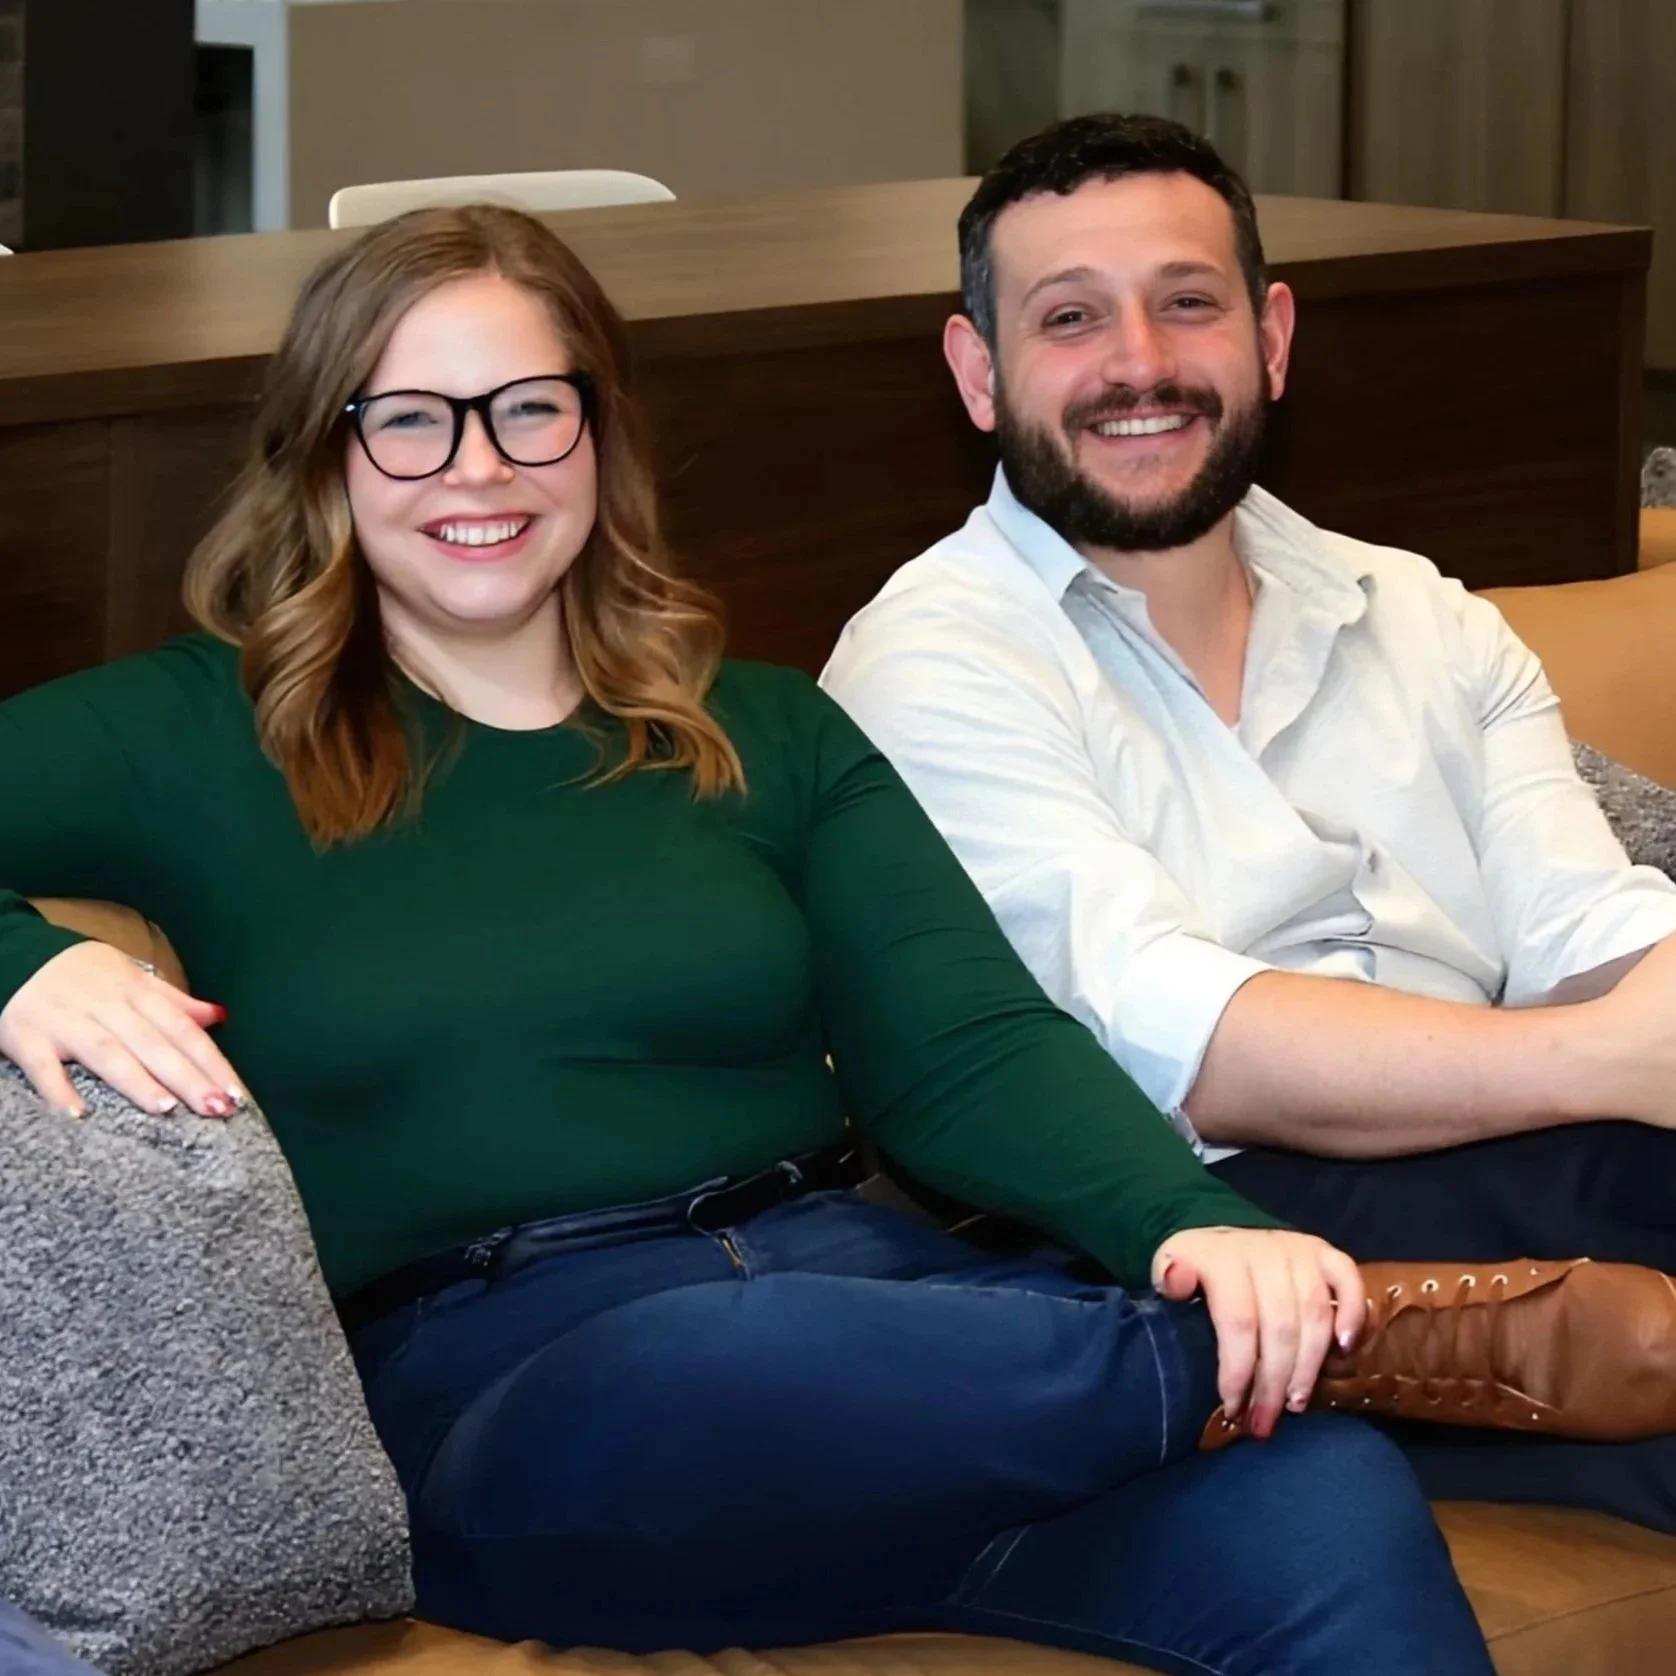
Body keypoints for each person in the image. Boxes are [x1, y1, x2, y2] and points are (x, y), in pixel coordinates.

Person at [0, 205, 1501, 1675]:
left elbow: (969, 1048)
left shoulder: (767, 729)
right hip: (531, 1398)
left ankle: (1270, 1371)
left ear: (600, 435)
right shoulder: (197, 733)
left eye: (531, 410)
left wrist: (1200, 1229)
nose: (479, 467)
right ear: (327, 450)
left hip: (891, 1346)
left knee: (1321, 1499)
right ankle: (1354, 1349)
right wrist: (29, 963)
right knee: (725, 1365)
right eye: (409, 419)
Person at [820, 112, 1676, 1531]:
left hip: (1523, 1148)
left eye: (1188, 304)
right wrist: (1607, 1057)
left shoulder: (1421, 612)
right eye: (1072, 318)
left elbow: (1585, 920)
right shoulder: (932, 663)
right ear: (980, 373)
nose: (1140, 363)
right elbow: (1186, 1040)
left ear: (1272, 336)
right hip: (1206, 1224)